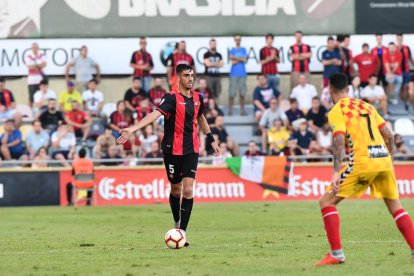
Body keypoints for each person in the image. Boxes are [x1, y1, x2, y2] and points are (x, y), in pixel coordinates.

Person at [315, 73, 414, 266]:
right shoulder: (367, 106)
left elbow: (338, 140)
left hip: (362, 161)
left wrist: (336, 172)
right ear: (348, 89)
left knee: (326, 201)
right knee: (396, 207)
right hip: (383, 160)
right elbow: (389, 135)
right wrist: (390, 160)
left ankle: (336, 254)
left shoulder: (337, 110)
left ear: (330, 90)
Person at [117, 64, 220, 246]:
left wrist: (211, 139)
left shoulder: (198, 98)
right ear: (178, 78)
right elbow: (154, 114)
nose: (190, 79)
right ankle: (176, 223)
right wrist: (132, 129)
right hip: (172, 150)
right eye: (187, 75)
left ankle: (182, 233)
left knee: (188, 190)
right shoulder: (171, 98)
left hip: (191, 149)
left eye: (192, 75)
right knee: (175, 189)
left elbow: (201, 117)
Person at [228, 35, 248, 116]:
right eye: (236, 39)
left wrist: (235, 58)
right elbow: (232, 62)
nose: (237, 40)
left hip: (242, 74)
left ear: (240, 40)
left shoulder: (244, 49)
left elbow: (245, 60)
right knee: (231, 94)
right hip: (233, 74)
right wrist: (241, 59)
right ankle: (230, 110)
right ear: (234, 40)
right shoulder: (231, 50)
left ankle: (242, 110)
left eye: (239, 39)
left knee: (242, 94)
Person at [396, 34, 414, 110]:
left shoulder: (406, 48)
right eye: (398, 39)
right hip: (398, 72)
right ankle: (400, 102)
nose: (400, 40)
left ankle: (406, 103)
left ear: (402, 39)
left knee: (406, 87)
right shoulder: (394, 48)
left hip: (406, 71)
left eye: (401, 39)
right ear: (396, 39)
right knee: (399, 88)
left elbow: (410, 58)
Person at [25, 42, 47, 106]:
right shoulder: (28, 56)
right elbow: (29, 67)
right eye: (34, 47)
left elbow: (44, 64)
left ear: (38, 48)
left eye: (36, 47)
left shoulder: (41, 55)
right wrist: (39, 66)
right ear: (31, 48)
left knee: (41, 97)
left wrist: (35, 66)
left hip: (40, 80)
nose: (35, 49)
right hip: (32, 81)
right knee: (31, 98)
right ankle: (29, 113)